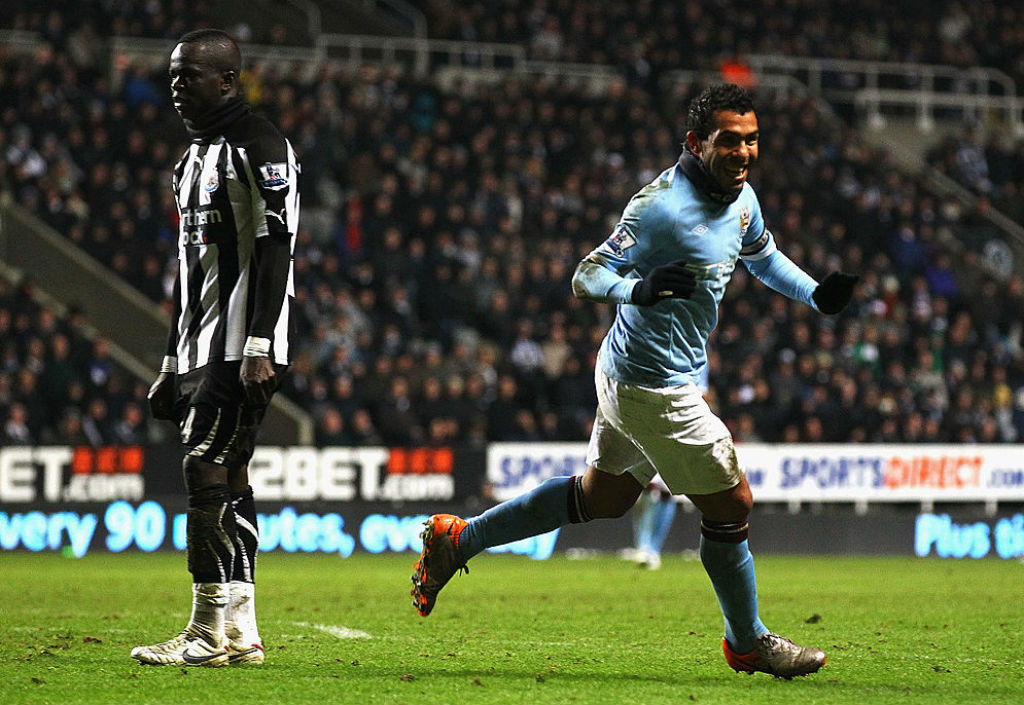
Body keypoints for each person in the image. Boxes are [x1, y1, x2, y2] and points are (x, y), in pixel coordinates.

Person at [410, 84, 857, 679]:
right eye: (730, 141)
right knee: (733, 505)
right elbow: (586, 275)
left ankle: (458, 539)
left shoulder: (743, 199)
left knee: (603, 498)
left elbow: (764, 255)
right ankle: (746, 641)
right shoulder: (659, 207)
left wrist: (816, 295)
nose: (744, 152)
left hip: (636, 374)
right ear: (697, 143)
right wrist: (636, 288)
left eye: (752, 140)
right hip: (652, 386)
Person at [133, 28, 299, 668]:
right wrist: (170, 362)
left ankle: (205, 632)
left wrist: (258, 342)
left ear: (227, 80)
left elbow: (276, 243)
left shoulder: (260, 145)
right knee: (230, 479)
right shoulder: (189, 161)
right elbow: (187, 272)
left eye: (189, 76)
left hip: (242, 344)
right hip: (199, 347)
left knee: (205, 472)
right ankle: (241, 632)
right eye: (172, 76)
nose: (176, 87)